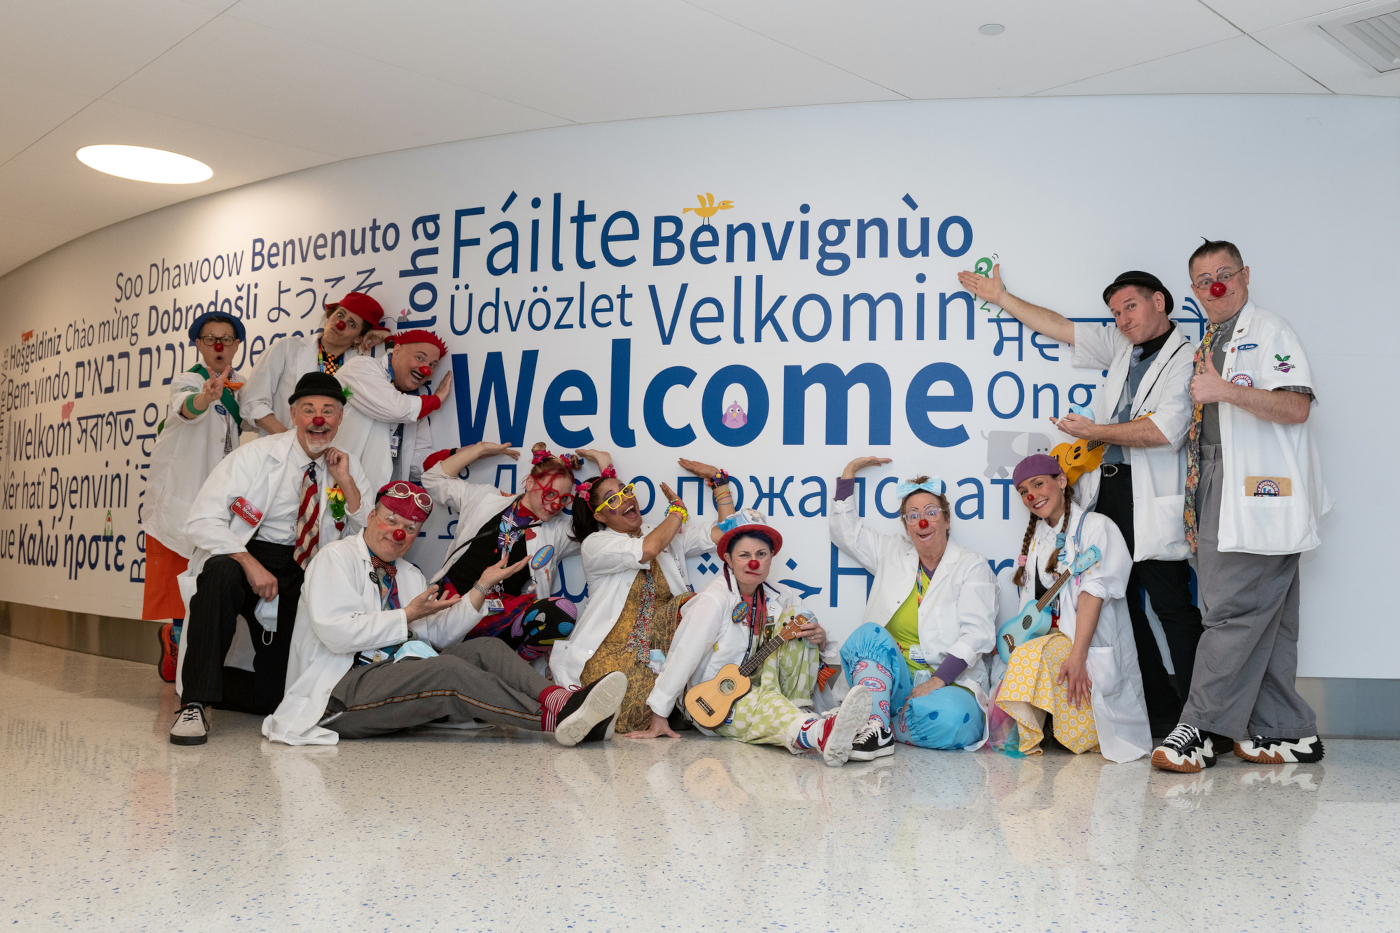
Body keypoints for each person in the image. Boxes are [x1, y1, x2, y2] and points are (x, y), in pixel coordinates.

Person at [958, 263, 1201, 738]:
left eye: (1131, 306)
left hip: (1149, 495)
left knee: (1172, 606)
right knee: (1121, 604)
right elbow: (1058, 326)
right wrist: (1003, 297)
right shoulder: (1119, 345)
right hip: (1108, 489)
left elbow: (1162, 430)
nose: (1123, 319)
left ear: (1160, 302)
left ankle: (1198, 717)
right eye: (1115, 312)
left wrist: (1094, 431)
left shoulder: (1188, 359)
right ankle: (1158, 709)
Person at [263, 481, 627, 746]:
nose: (398, 532)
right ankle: (557, 720)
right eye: (391, 519)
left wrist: (481, 587)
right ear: (372, 517)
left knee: (485, 648)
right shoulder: (335, 557)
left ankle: (558, 700)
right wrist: (406, 615)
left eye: (410, 527)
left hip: (391, 674)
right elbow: (336, 634)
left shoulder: (407, 574)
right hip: (336, 693)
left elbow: (434, 636)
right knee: (448, 670)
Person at [1152, 239, 1331, 773]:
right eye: (1204, 279)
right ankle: (1287, 730)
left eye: (1224, 273)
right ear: (1193, 290)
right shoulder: (1210, 338)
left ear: (1245, 274)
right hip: (1218, 487)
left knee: (1230, 613)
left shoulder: (1270, 331)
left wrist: (1225, 390)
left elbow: (1296, 406)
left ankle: (1199, 730)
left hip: (1256, 490)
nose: (1215, 286)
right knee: (1265, 618)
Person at [169, 372, 370, 745]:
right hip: (247, 551)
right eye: (309, 410)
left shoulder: (347, 465)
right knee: (218, 574)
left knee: (275, 700)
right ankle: (194, 703)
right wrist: (249, 563)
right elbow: (201, 521)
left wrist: (345, 481)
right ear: (293, 416)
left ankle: (230, 684)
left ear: (340, 419)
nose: (318, 419)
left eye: (328, 411)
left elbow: (365, 535)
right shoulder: (254, 456)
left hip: (305, 568)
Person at [629, 512, 872, 768]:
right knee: (760, 704)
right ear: (728, 560)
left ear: (771, 558)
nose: (753, 562)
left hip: (770, 688)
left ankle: (803, 714)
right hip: (716, 700)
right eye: (744, 555)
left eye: (761, 555)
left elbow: (809, 643)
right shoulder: (715, 599)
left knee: (799, 616)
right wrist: (659, 714)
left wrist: (820, 640)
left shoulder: (780, 596)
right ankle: (819, 733)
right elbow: (684, 653)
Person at [550, 457, 736, 733]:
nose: (625, 499)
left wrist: (718, 483)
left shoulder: (664, 533)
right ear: (600, 517)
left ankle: (638, 715)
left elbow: (727, 534)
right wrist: (676, 513)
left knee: (691, 604)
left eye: (626, 490)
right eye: (612, 499)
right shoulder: (596, 544)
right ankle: (601, 716)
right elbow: (648, 549)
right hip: (610, 655)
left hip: (657, 656)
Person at [830, 458, 998, 760]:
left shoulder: (972, 565)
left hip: (947, 683)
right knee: (869, 635)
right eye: (913, 515)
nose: (923, 521)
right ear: (906, 526)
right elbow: (846, 533)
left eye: (932, 513)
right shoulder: (891, 550)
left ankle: (874, 721)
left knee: (956, 721)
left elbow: (978, 634)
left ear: (947, 520)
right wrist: (848, 474)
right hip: (892, 679)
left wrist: (936, 682)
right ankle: (879, 727)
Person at [995, 454, 1151, 763]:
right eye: (1024, 491)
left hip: (1085, 646)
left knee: (1032, 661)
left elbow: (1094, 592)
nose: (1031, 496)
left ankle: (1044, 736)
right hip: (1050, 641)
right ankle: (1040, 735)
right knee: (1020, 659)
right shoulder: (1038, 539)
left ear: (1062, 481)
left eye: (1039, 484)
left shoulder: (1097, 527)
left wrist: (1078, 656)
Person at [420, 442, 605, 662]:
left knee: (561, 613)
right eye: (550, 493)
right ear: (529, 483)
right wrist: (480, 450)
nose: (556, 505)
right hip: (449, 605)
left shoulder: (555, 533)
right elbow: (432, 479)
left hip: (499, 618)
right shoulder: (485, 498)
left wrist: (606, 468)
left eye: (564, 498)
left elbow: (606, 521)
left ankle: (512, 667)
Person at [144, 311, 249, 682]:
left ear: (236, 345)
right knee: (178, 579)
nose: (218, 345)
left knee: (210, 579)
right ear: (198, 344)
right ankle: (175, 641)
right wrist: (205, 397)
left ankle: (200, 651)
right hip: (182, 498)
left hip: (218, 500)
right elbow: (187, 408)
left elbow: (259, 414)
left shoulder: (242, 386)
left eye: (226, 338)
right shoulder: (190, 380)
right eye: (210, 338)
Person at [241, 291, 388, 436]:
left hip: (329, 456)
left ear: (358, 339)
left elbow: (391, 395)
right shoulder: (286, 349)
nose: (340, 324)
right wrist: (287, 440)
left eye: (352, 324)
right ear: (330, 315)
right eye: (340, 314)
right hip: (278, 453)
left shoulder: (360, 368)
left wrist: (389, 339)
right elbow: (253, 403)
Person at [333, 329, 454, 492]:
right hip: (339, 489)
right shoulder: (361, 367)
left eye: (432, 365)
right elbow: (396, 409)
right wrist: (437, 399)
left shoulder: (417, 403)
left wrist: (457, 455)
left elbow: (416, 463)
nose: (426, 369)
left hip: (381, 502)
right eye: (420, 358)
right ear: (396, 351)